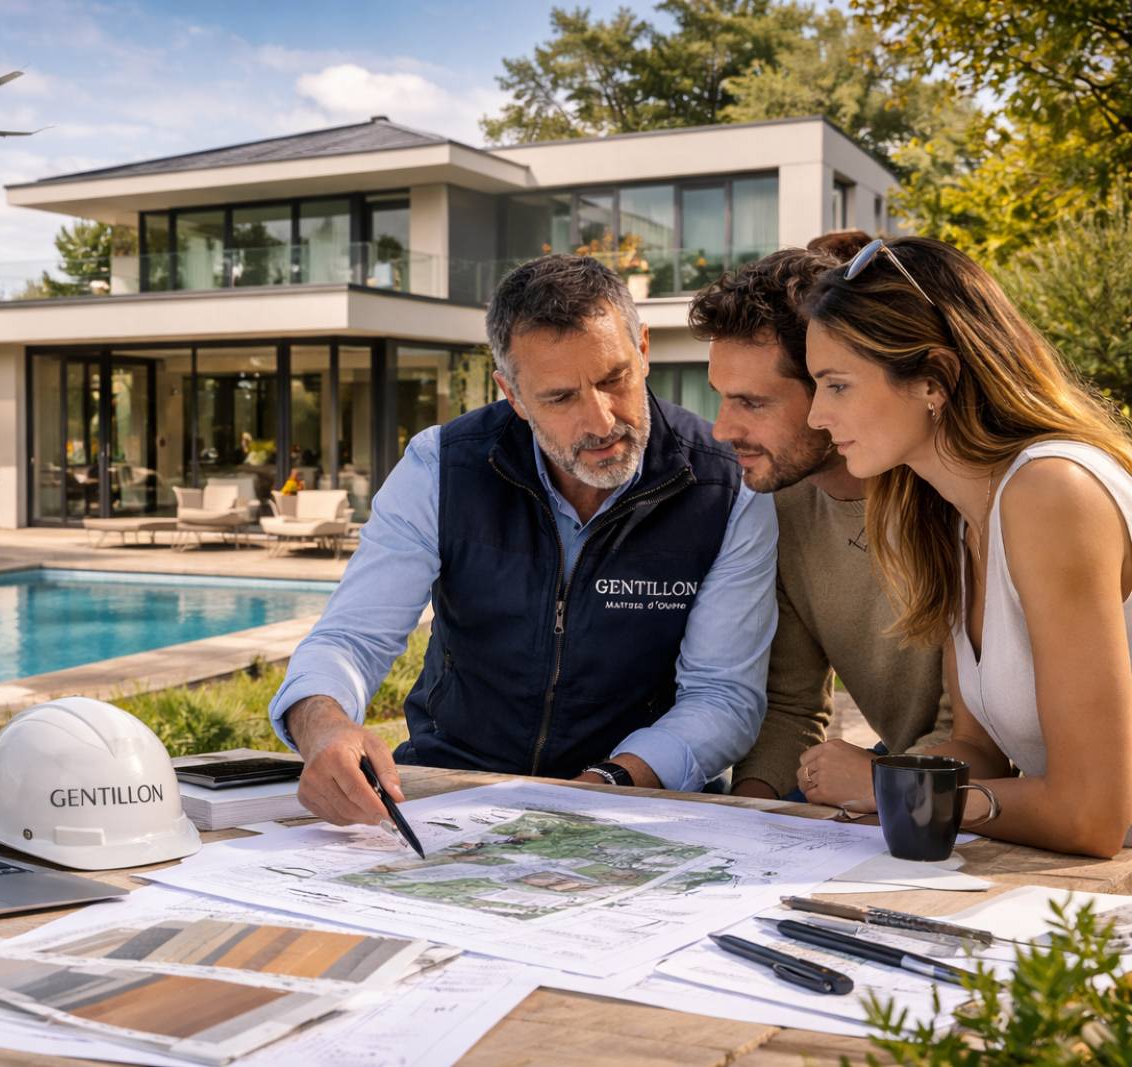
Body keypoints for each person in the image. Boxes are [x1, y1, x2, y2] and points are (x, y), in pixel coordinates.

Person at [269, 254, 778, 826]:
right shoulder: (440, 467)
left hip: (637, 800)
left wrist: (604, 783)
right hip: (455, 788)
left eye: (614, 379)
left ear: (643, 349)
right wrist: (324, 726)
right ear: (511, 393)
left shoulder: (727, 487)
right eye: (560, 398)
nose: (602, 420)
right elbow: (351, 638)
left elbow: (722, 698)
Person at [802, 235, 1132, 858]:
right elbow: (980, 752)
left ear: (935, 379)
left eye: (836, 385)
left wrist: (889, 786)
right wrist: (897, 776)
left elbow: (1093, 814)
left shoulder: (1053, 491)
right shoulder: (957, 522)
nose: (816, 416)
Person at [691, 246, 951, 803]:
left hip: (990, 803)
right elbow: (789, 706)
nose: (720, 430)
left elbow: (976, 740)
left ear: (830, 386)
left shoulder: (953, 498)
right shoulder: (779, 506)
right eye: (720, 398)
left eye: (751, 403)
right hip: (902, 786)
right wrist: (746, 820)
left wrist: (883, 786)